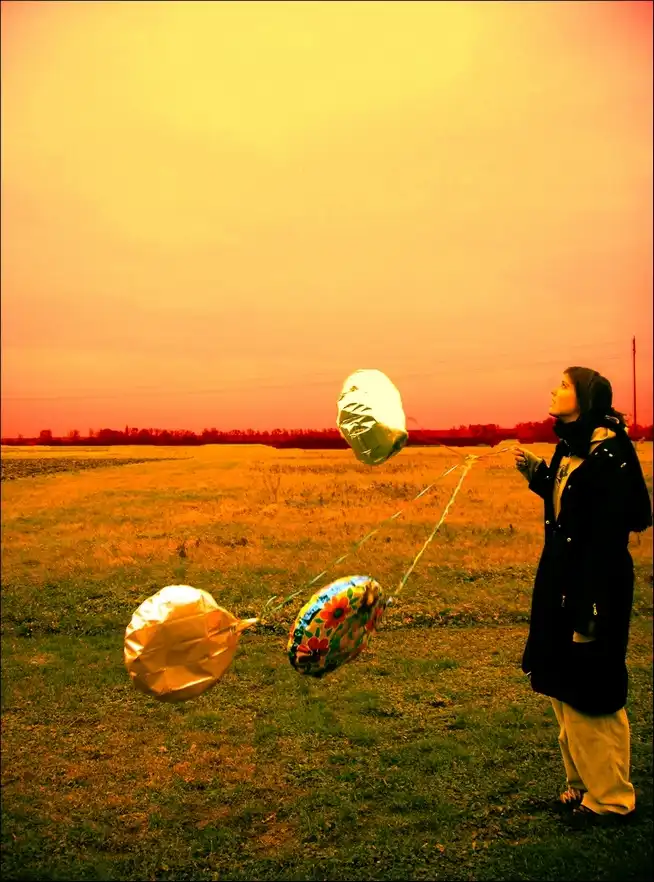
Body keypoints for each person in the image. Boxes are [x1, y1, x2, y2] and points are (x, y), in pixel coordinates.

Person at [513, 366, 652, 827]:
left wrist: (591, 609)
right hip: (561, 581)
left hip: (594, 586)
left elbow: (610, 532)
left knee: (592, 691)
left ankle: (612, 799)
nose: (554, 390)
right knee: (563, 684)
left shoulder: (610, 453)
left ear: (586, 398)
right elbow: (571, 505)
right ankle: (582, 784)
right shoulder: (570, 448)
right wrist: (539, 475)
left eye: (564, 385)